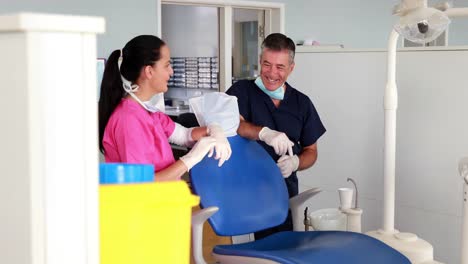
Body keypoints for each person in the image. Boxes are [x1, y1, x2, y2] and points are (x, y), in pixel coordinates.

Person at [226, 33, 326, 239]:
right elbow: (235, 124)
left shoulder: (301, 103)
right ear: (260, 62)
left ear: (291, 68)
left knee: (281, 248)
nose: (272, 73)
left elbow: (311, 151)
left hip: (283, 193)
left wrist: (296, 163)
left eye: (280, 67)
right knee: (247, 254)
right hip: (244, 189)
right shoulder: (242, 91)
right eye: (266, 64)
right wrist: (264, 133)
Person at [98, 35, 231, 181]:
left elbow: (183, 135)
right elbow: (142, 184)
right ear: (149, 71)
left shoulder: (148, 111)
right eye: (167, 65)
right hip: (142, 203)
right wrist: (191, 159)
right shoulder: (128, 120)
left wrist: (213, 129)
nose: (171, 72)